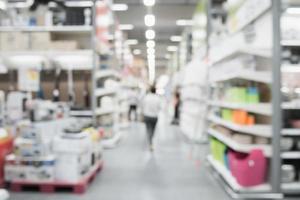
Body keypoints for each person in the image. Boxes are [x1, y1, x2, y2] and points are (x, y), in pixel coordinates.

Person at [142, 86, 161, 151]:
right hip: (154, 117)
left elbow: (143, 106)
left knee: (148, 129)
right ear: (155, 91)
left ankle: (150, 142)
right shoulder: (158, 98)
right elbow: (159, 107)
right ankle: (151, 140)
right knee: (153, 130)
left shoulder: (146, 97)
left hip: (147, 116)